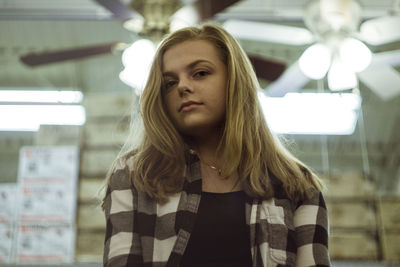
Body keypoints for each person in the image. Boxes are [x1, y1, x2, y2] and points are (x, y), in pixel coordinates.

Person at [102, 23, 330, 267]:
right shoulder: (135, 174)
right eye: (169, 83)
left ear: (234, 80)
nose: (182, 86)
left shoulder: (296, 185)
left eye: (200, 73)